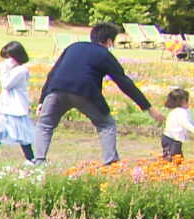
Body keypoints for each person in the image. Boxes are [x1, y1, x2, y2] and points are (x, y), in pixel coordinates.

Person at [35, 22, 154, 166]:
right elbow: (124, 82)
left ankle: (39, 161)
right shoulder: (104, 54)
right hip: (85, 92)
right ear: (109, 41)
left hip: (56, 89)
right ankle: (110, 162)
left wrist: (42, 100)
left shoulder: (73, 47)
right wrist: (148, 107)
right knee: (106, 124)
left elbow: (52, 73)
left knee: (45, 125)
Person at [0, 41, 37, 163]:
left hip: (16, 108)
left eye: (9, 58)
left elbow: (6, 84)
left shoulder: (21, 71)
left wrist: (4, 70)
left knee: (22, 135)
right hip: (5, 107)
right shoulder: (12, 70)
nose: (7, 61)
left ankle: (30, 159)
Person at [164, 86, 193, 162]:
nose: (189, 102)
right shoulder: (179, 112)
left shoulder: (184, 111)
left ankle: (176, 171)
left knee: (178, 158)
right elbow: (185, 123)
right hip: (171, 139)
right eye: (187, 100)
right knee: (170, 158)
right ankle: (166, 171)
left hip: (175, 139)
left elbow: (190, 122)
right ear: (183, 101)